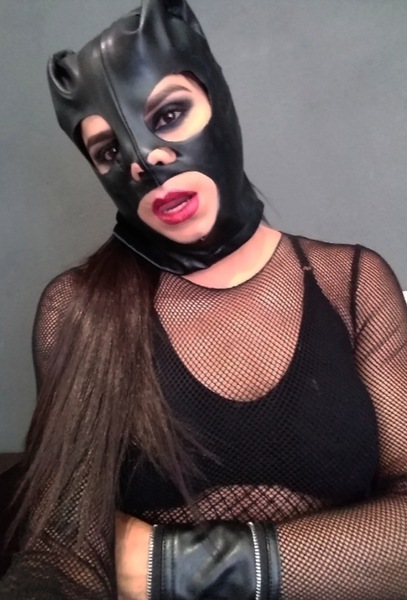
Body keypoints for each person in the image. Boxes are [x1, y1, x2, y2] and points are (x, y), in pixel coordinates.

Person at [1, 0, 406, 598]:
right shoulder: (78, 310)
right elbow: (62, 551)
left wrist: (164, 567)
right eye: (109, 151)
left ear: (220, 100)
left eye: (168, 115)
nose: (145, 160)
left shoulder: (352, 283)